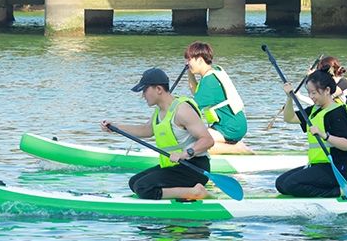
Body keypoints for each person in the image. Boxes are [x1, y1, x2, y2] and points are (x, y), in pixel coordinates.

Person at [100, 67, 214, 200]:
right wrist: (116, 127)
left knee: (142, 187)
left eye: (145, 90)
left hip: (194, 168)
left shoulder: (182, 110)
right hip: (175, 166)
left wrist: (184, 154)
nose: (143, 95)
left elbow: (207, 140)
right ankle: (179, 192)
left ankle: (196, 192)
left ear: (158, 89)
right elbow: (146, 130)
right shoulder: (159, 111)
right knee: (134, 183)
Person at [276, 69, 347, 198]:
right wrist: (289, 97)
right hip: (318, 165)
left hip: (336, 168)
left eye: (314, 93)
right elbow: (289, 118)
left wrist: (324, 135)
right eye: (309, 93)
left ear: (327, 90)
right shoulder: (314, 109)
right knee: (280, 183)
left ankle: (337, 192)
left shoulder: (337, 112)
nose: (311, 96)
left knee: (291, 184)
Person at [184, 41, 251, 154]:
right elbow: (197, 92)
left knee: (193, 144)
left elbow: (192, 108)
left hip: (231, 127)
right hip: (229, 124)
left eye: (189, 60)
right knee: (195, 139)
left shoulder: (210, 81)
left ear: (200, 60)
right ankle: (227, 147)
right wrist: (190, 73)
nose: (187, 63)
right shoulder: (214, 70)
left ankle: (238, 148)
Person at [314, 56, 347, 143]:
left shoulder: (343, 84)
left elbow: (321, 100)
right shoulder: (333, 85)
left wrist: (312, 79)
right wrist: (298, 95)